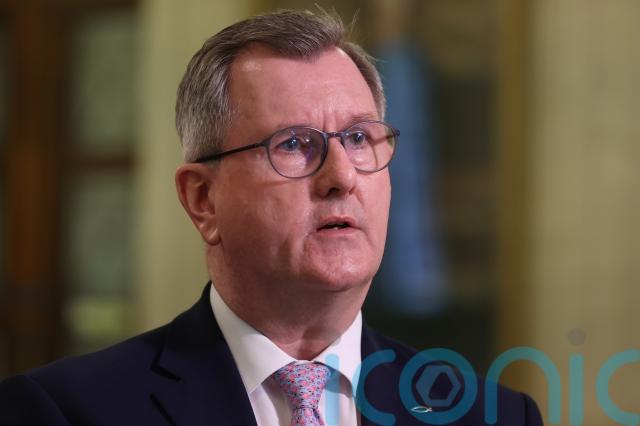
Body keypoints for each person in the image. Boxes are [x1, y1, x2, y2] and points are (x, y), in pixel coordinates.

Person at [0, 9, 542, 426]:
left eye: (358, 138)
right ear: (203, 200)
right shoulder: (62, 411)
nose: (341, 176)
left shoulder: (493, 415)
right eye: (294, 144)